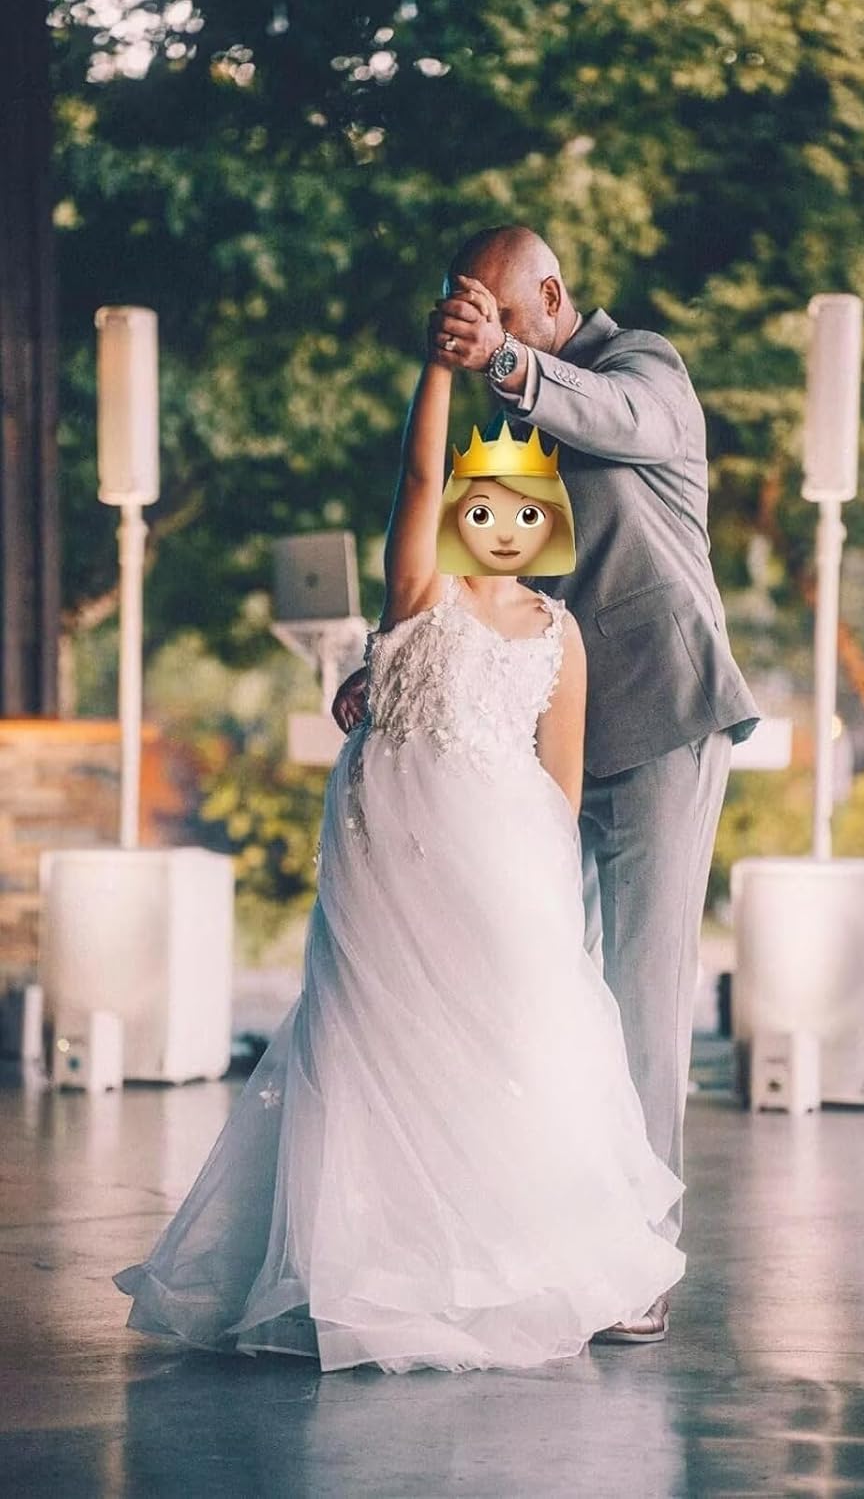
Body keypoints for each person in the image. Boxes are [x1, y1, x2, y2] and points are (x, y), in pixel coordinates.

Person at [112, 326, 686, 1376]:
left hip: (506, 862)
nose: (502, 526)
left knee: (504, 1045)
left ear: (548, 525)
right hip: (393, 848)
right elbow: (417, 475)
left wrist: (543, 898)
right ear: (459, 516)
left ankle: (496, 1263)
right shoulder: (423, 594)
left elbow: (560, 782)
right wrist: (439, 367)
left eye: (525, 511)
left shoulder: (560, 633)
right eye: (484, 508)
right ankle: (371, 1269)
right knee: (368, 1036)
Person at [334, 225, 759, 1341]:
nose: (485, 337)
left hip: (662, 717)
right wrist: (384, 658)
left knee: (638, 989)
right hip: (536, 745)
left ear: (552, 297)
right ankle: (545, 1242)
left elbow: (617, 421)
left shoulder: (643, 368)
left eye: (502, 316)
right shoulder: (510, 418)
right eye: (469, 318)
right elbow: (469, 560)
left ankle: (643, 1263)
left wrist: (506, 363)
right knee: (538, 989)